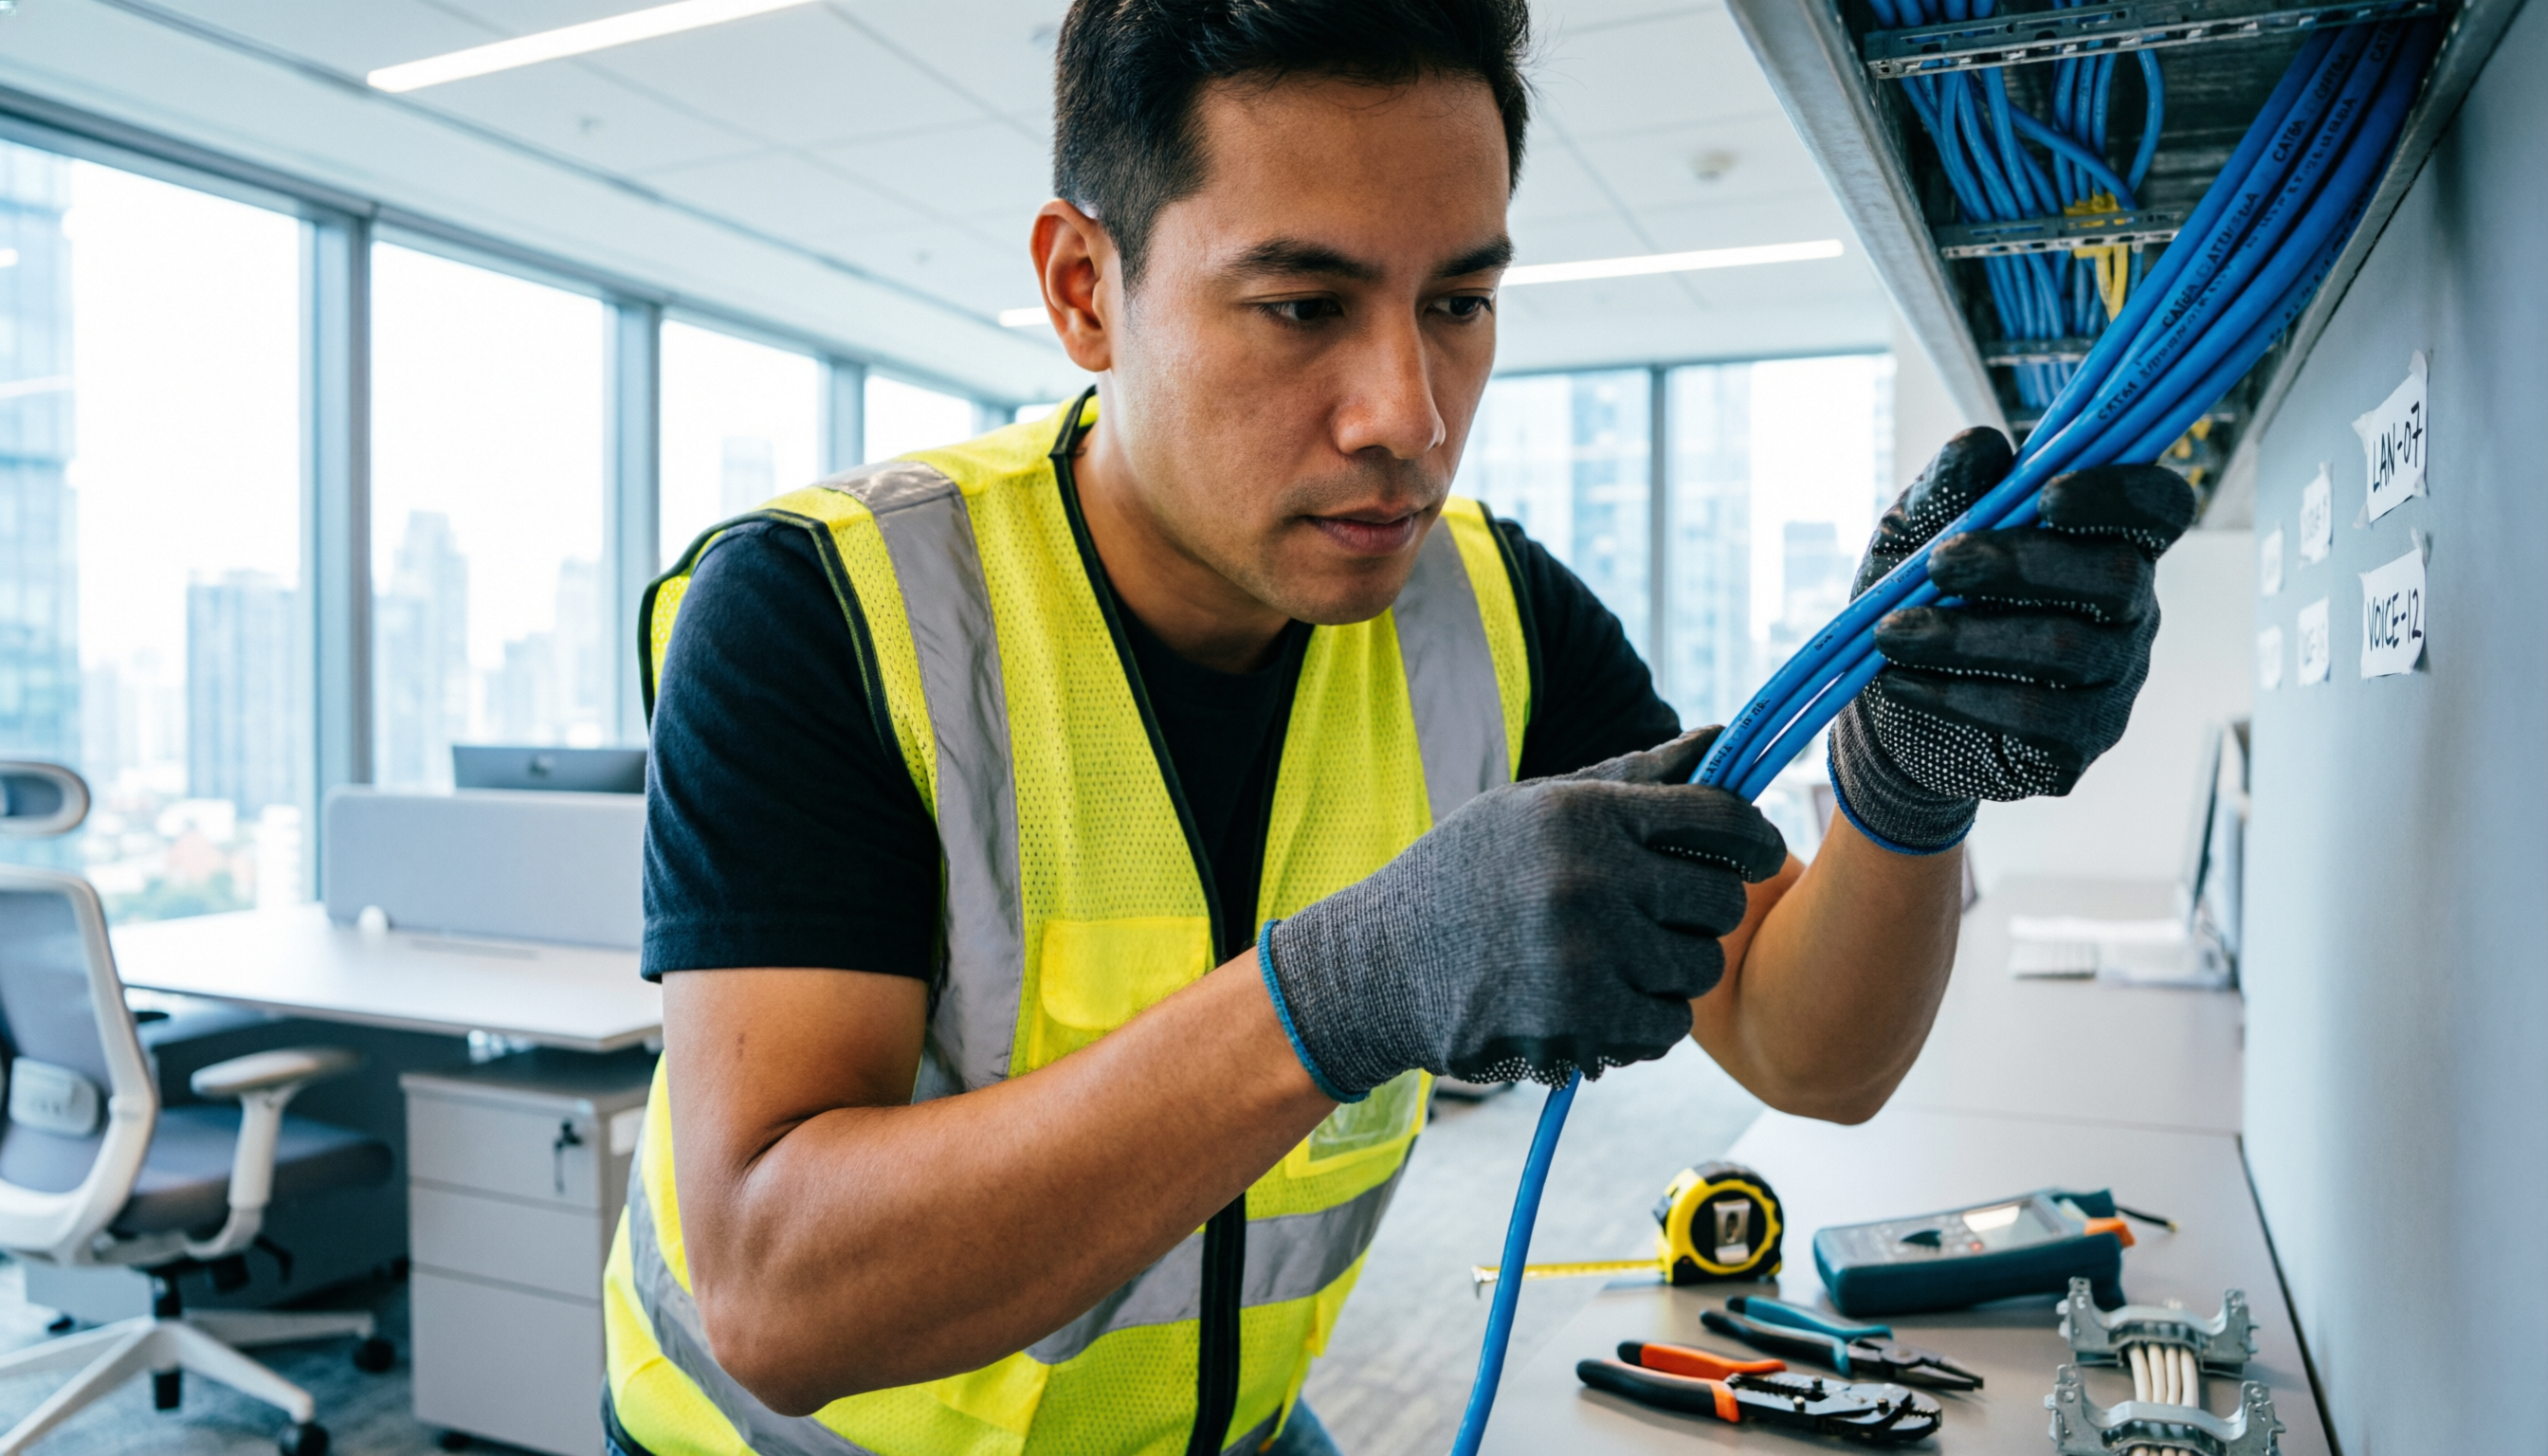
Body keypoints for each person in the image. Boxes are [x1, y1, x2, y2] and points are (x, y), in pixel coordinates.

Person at [601, 3, 2197, 1453]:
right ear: (1088, 290)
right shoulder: (833, 609)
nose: (1409, 415)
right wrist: (1346, 992)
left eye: (1459, 301)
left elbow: (1800, 1044)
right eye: (1303, 305)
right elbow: (780, 1301)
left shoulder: (1494, 613)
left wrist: (1902, 793)